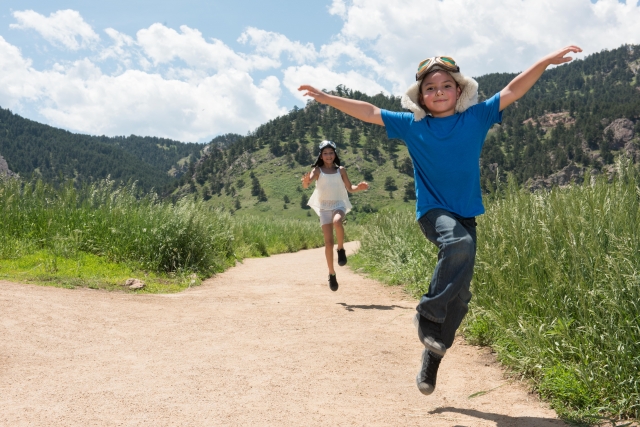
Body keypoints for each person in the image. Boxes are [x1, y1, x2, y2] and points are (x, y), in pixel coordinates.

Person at [299, 45, 582, 395]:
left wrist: (544, 62)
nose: (438, 92)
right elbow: (370, 111)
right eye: (429, 89)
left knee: (461, 297)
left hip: (466, 214)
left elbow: (512, 90)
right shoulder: (412, 124)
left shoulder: (475, 117)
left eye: (445, 85)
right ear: (420, 98)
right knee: (458, 245)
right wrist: (329, 98)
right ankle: (427, 313)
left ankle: (433, 353)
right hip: (433, 212)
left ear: (459, 90)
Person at [301, 140, 369, 291]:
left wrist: (359, 187)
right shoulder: (317, 170)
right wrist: (306, 182)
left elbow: (350, 188)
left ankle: (341, 249)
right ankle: (331, 273)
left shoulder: (341, 170)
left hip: (339, 204)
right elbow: (308, 182)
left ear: (335, 154)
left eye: (331, 153)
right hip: (324, 208)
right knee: (328, 243)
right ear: (320, 156)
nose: (328, 155)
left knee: (338, 222)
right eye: (325, 153)